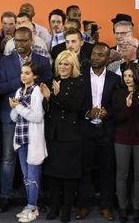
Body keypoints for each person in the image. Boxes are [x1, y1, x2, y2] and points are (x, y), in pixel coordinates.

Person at [0, 27, 52, 213]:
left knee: (34, 162)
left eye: (23, 41)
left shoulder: (43, 61)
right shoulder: (5, 61)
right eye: (16, 41)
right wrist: (20, 82)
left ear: (32, 41)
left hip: (34, 121)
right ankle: (5, 196)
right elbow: (1, 88)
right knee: (8, 158)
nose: (19, 44)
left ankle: (34, 199)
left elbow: (46, 86)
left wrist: (30, 84)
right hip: (11, 117)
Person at [75, 43, 120, 221]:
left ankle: (106, 206)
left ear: (108, 59)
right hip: (86, 130)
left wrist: (107, 113)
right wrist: (87, 112)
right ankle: (83, 206)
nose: (95, 57)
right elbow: (75, 103)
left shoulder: (114, 79)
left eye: (100, 55)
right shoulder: (80, 77)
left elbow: (117, 105)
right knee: (84, 169)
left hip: (106, 131)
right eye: (94, 54)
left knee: (107, 169)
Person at [41, 50, 85, 222]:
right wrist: (46, 99)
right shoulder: (50, 81)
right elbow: (45, 108)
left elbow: (75, 107)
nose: (63, 67)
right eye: (60, 63)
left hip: (71, 136)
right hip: (53, 135)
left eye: (66, 64)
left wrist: (55, 96)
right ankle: (55, 206)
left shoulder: (79, 82)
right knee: (53, 174)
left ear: (73, 65)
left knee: (69, 175)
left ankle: (66, 209)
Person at [112, 63, 139, 223]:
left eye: (130, 75)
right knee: (122, 174)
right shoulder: (117, 94)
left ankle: (137, 208)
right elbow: (117, 118)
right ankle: (123, 208)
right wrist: (128, 106)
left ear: (137, 76)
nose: (127, 79)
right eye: (125, 76)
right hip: (122, 138)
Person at [10, 62, 47, 223]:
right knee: (26, 176)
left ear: (35, 75)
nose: (23, 76)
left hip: (33, 141)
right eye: (22, 73)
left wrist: (18, 107)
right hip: (20, 138)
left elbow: (37, 117)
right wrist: (14, 107)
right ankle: (30, 206)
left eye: (27, 73)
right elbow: (13, 118)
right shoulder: (19, 91)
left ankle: (32, 207)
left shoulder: (37, 91)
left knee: (33, 177)